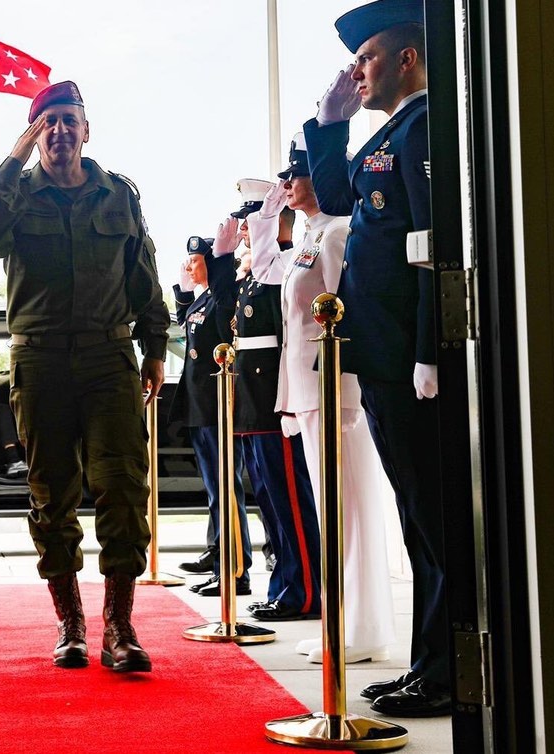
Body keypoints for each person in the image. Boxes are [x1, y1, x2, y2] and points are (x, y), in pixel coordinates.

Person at [0, 81, 169, 674]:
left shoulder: (118, 194)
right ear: (36, 134)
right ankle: (72, 624)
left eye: (68, 120)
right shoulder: (17, 196)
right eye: (46, 122)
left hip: (110, 362)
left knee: (123, 489)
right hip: (41, 361)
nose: (58, 131)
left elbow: (144, 277)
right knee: (52, 496)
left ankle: (120, 627)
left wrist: (155, 346)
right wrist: (12, 159)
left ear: (86, 129)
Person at [303, 0, 450, 716]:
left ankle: (446, 670)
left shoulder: (428, 127)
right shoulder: (390, 132)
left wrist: (430, 351)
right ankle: (432, 664)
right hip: (387, 356)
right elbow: (335, 196)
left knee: (435, 520)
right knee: (420, 520)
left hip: (411, 362)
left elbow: (432, 249)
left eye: (366, 60)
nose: (356, 72)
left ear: (407, 59)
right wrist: (330, 122)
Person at [249, 134, 397, 663]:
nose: (287, 184)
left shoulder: (337, 234)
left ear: (323, 177)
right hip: (309, 390)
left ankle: (361, 627)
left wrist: (350, 395)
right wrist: (264, 219)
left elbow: (348, 319)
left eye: (296, 175)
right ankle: (340, 620)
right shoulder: (312, 234)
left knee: (350, 509)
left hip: (337, 391)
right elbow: (271, 278)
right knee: (330, 510)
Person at [206, 184, 321, 623]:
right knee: (272, 504)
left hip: (274, 402)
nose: (247, 230)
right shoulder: (258, 274)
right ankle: (286, 585)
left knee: (291, 500)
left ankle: (306, 590)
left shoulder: (286, 264)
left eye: (253, 220)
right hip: (253, 404)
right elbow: (224, 319)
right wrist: (220, 262)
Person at [173, 237, 251, 595]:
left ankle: (236, 569)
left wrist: (221, 266)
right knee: (215, 489)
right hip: (200, 405)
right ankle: (218, 553)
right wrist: (184, 291)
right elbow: (187, 327)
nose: (189, 267)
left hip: (218, 403)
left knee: (226, 488)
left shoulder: (224, 296)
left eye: (195, 261)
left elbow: (220, 328)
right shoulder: (203, 299)